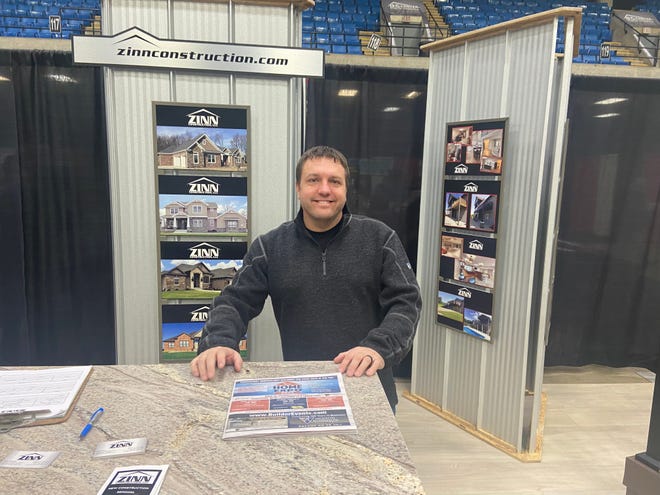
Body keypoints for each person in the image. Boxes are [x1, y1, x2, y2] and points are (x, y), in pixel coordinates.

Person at [190, 145, 422, 410]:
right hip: (302, 391)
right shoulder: (270, 247)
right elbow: (234, 301)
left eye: (335, 181)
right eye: (314, 180)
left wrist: (377, 348)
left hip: (369, 387)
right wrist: (217, 342)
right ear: (298, 188)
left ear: (346, 189)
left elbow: (407, 303)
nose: (325, 189)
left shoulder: (380, 239)